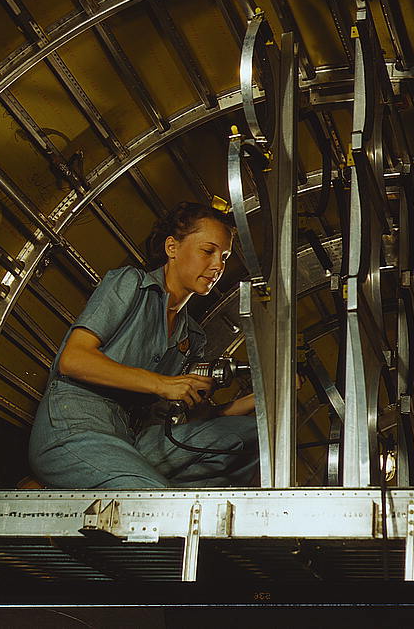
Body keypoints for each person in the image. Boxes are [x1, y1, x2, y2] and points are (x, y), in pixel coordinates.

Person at [27, 202, 259, 488]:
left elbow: (199, 420)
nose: (218, 266)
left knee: (250, 435)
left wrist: (262, 396)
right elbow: (72, 360)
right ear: (172, 248)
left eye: (224, 257)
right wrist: (162, 383)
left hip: (133, 439)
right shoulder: (130, 284)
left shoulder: (193, 336)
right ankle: (86, 477)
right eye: (208, 251)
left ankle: (137, 485)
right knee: (154, 501)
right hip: (76, 424)